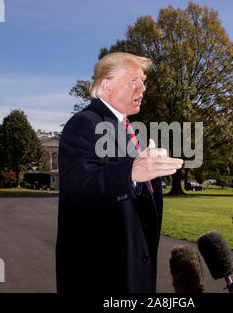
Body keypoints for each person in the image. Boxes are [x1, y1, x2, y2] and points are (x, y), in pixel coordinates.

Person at [56, 52, 184, 293]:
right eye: (134, 80)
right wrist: (131, 173)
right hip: (101, 277)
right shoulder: (85, 123)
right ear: (108, 86)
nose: (143, 88)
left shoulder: (126, 130)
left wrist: (149, 175)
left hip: (131, 272)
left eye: (144, 81)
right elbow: (78, 188)